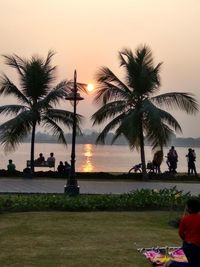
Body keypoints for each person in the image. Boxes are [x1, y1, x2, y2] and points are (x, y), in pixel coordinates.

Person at [164, 198, 200, 267]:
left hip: (188, 245)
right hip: (196, 247)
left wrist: (186, 240)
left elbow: (181, 233)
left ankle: (171, 263)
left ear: (189, 209)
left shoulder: (185, 219)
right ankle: (172, 264)